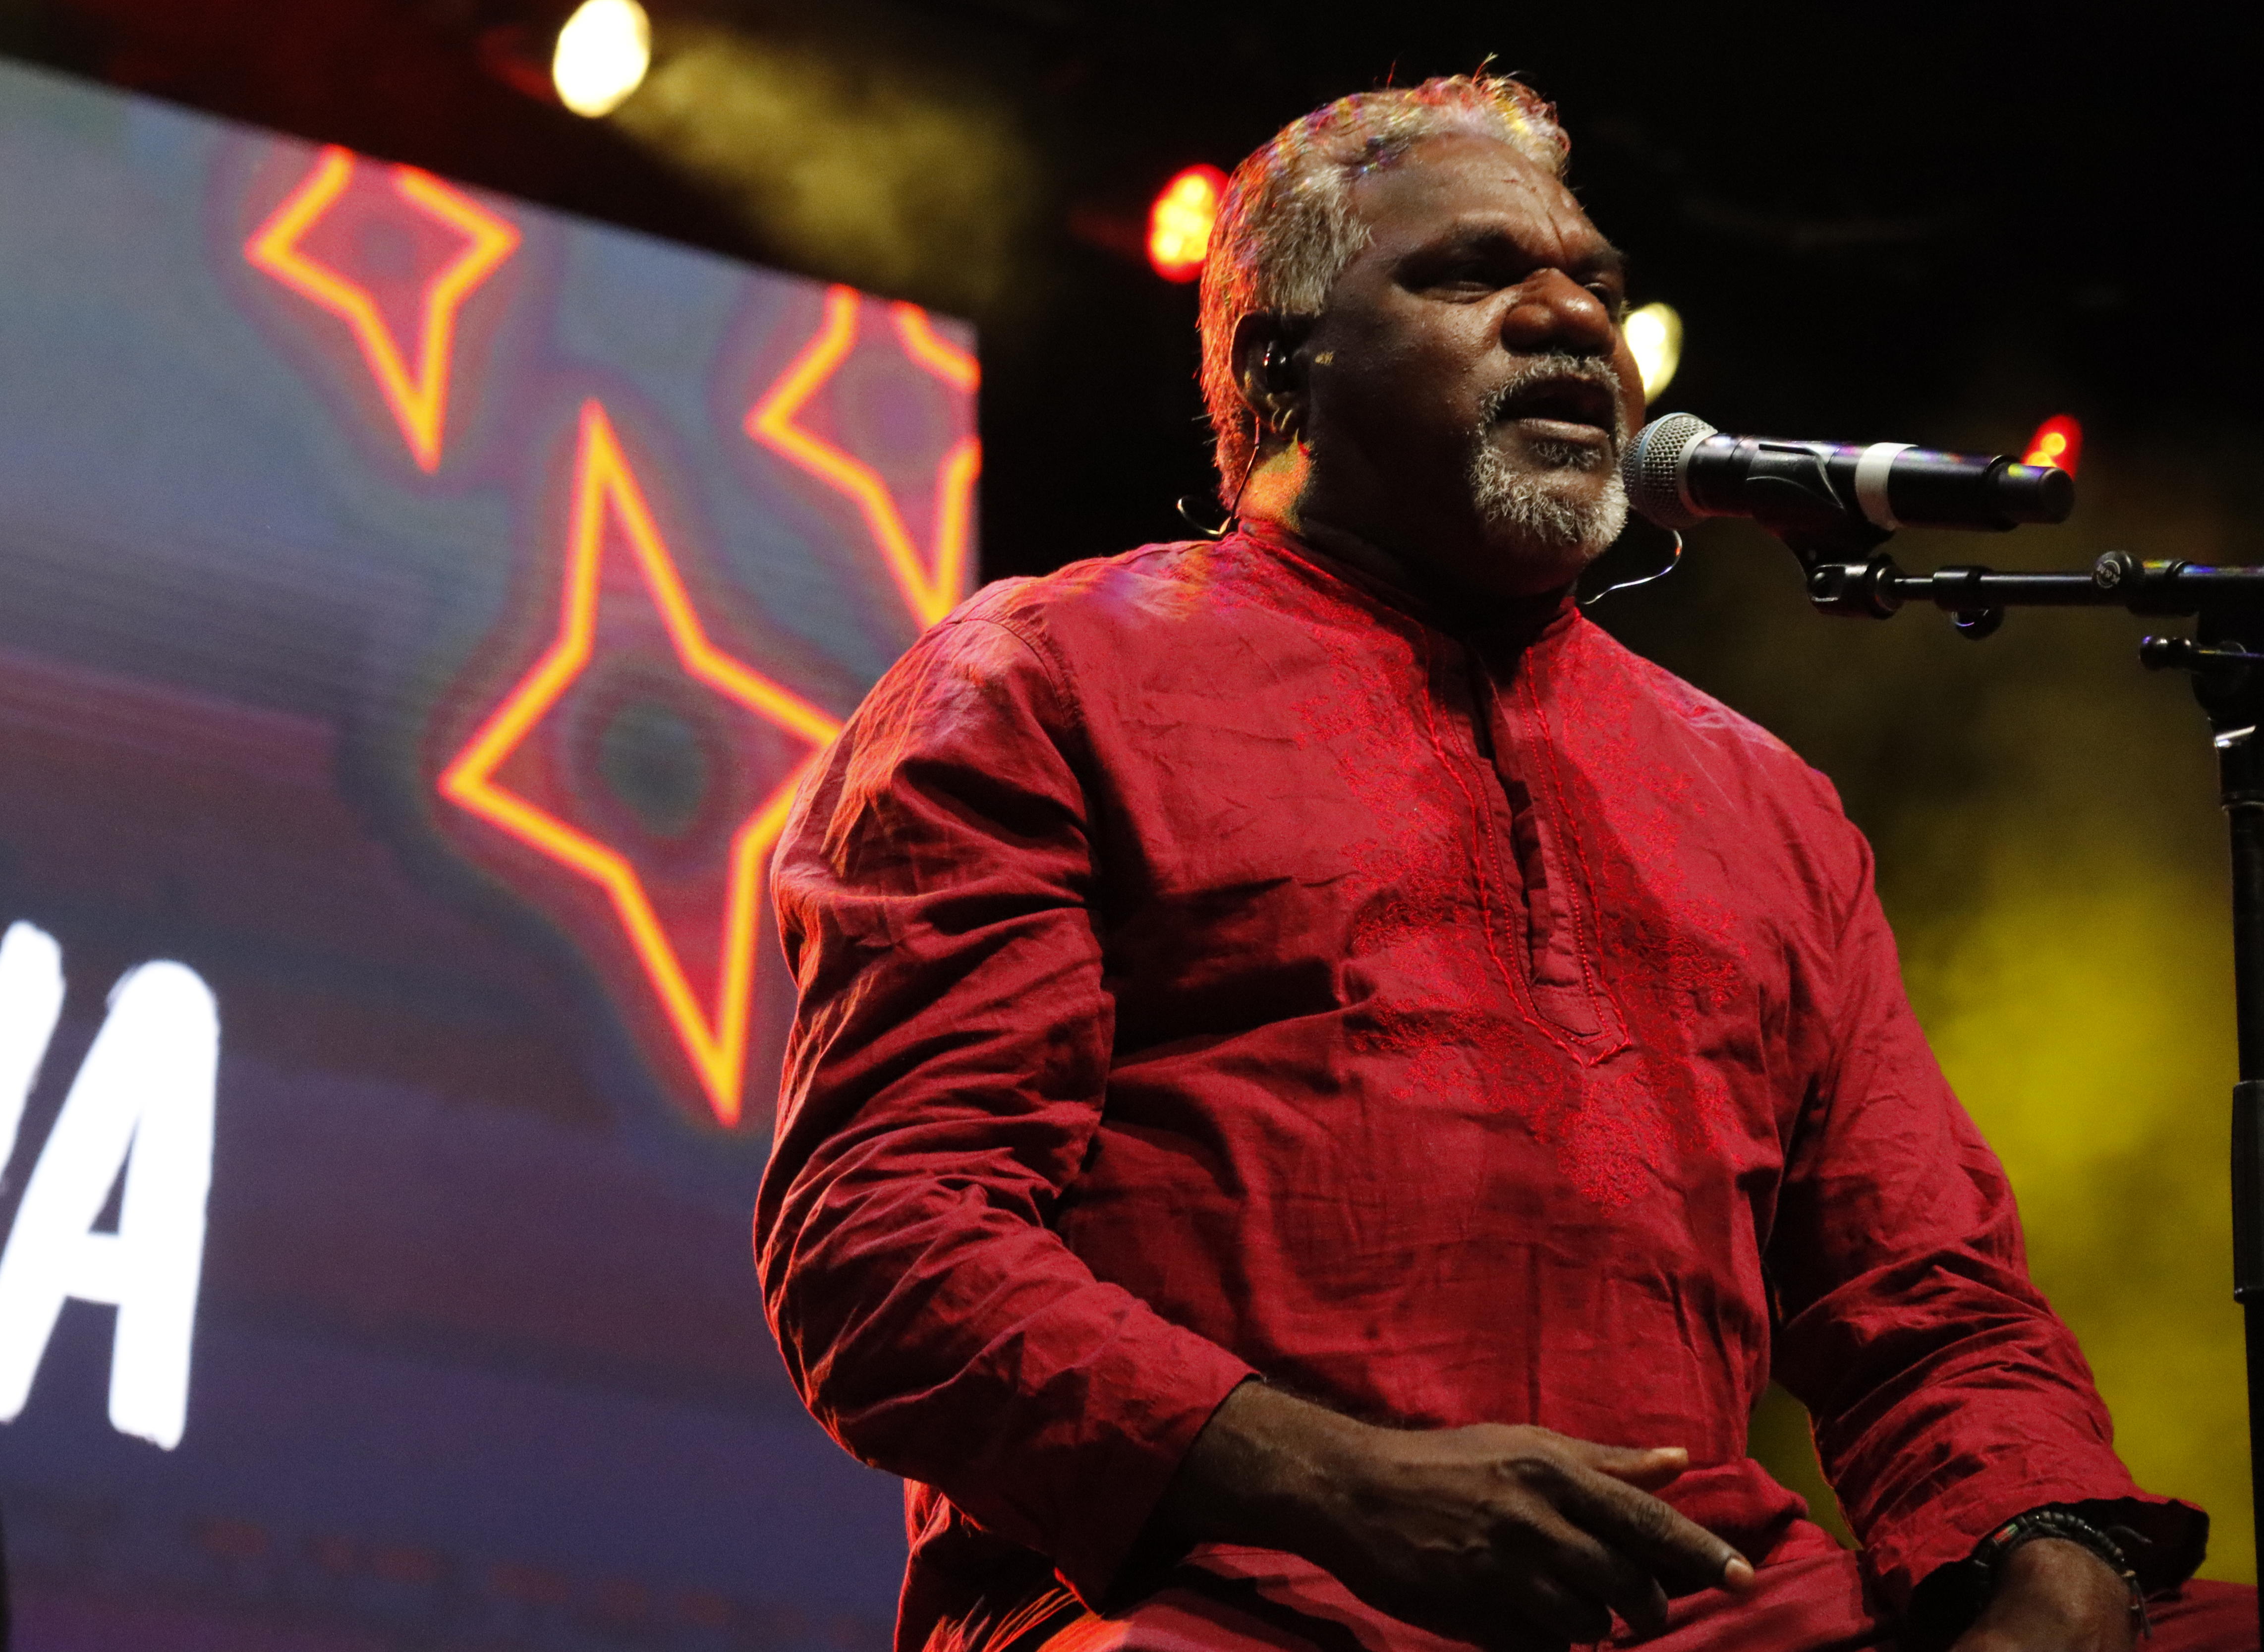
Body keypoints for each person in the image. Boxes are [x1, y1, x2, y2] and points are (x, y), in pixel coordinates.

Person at [752, 74, 2256, 1652]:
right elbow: (888, 1240)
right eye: (1471, 274)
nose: (1571, 321)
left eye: (1597, 286)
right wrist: (1342, 1486)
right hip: (1222, 1595)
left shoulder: (1765, 800)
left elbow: (1930, 1296)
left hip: (1711, 1610)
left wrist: (2053, 1563)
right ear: (1284, 361)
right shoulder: (1045, 679)